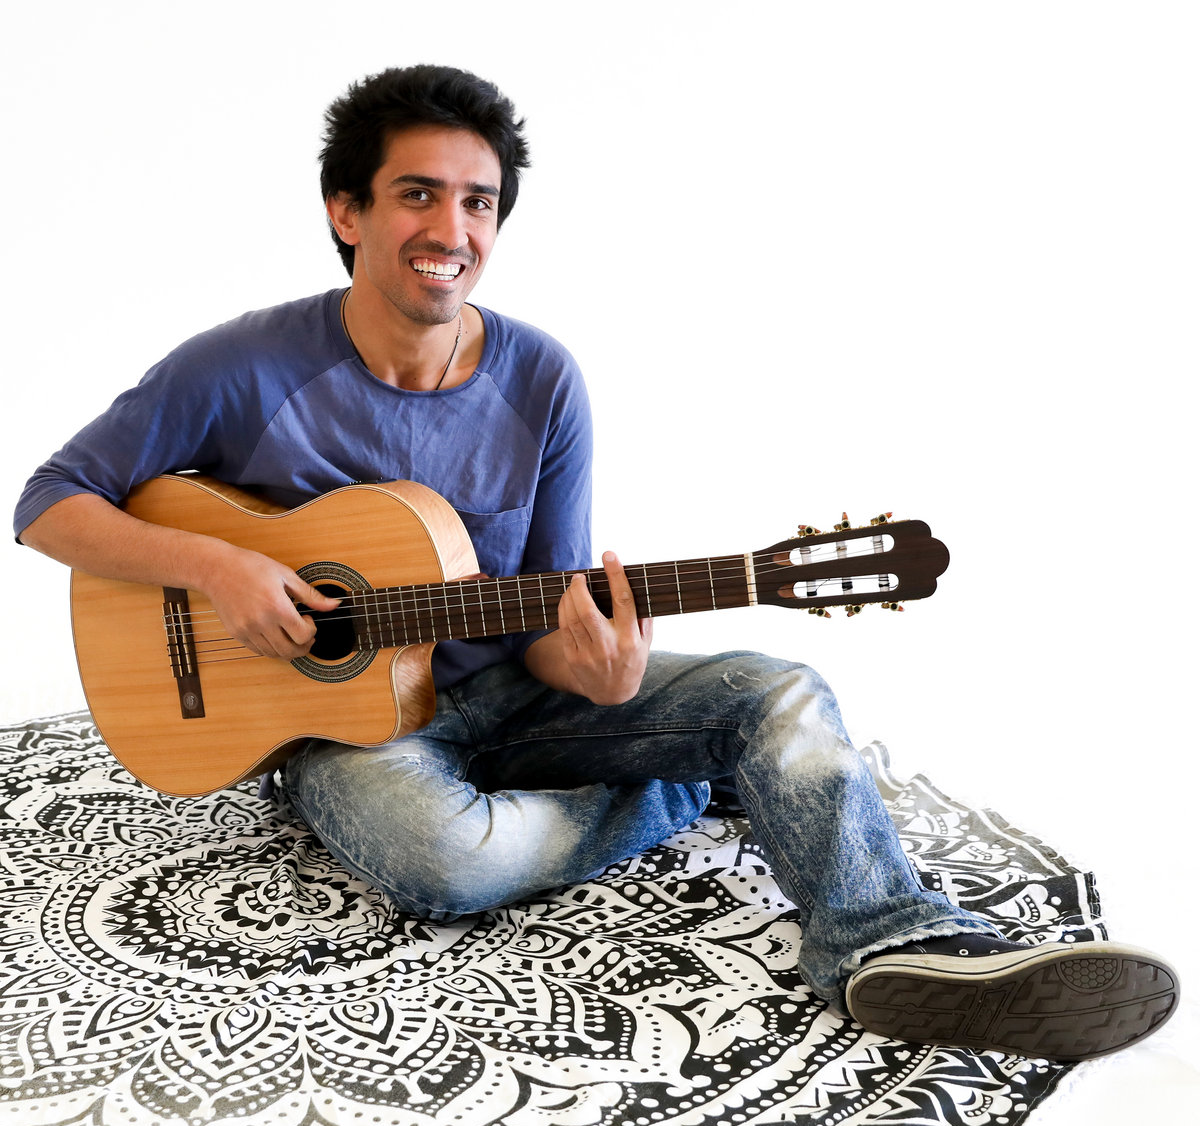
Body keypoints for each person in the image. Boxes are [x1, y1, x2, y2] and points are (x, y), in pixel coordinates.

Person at [14, 65, 1177, 1062]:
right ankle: (686, 784)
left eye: (478, 202)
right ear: (347, 211)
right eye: (417, 193)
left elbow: (548, 619)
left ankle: (888, 945)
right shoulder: (238, 368)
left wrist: (600, 675)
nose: (451, 229)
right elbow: (48, 504)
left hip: (509, 698)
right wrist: (218, 568)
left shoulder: (542, 379)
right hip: (342, 728)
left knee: (780, 692)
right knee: (443, 858)